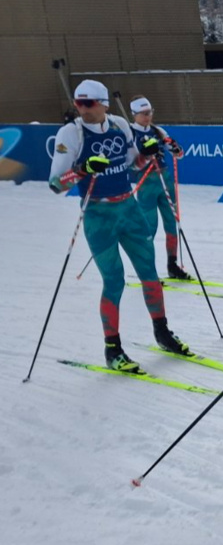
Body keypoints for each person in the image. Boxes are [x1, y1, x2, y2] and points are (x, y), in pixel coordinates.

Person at [48, 79, 192, 372]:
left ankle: (162, 332)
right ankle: (113, 349)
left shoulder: (119, 125)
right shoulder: (71, 133)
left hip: (129, 208)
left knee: (150, 275)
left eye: (88, 103)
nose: (82, 109)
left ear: (103, 104)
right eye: (79, 103)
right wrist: (83, 169)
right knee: (114, 281)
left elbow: (133, 165)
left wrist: (147, 152)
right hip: (99, 216)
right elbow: (55, 185)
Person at [128, 96, 189, 280]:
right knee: (149, 228)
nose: (148, 117)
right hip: (146, 183)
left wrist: (175, 148)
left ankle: (172, 265)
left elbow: (179, 154)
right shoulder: (130, 134)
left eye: (150, 113)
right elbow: (133, 166)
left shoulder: (158, 130)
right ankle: (148, 270)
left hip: (165, 179)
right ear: (134, 114)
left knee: (172, 223)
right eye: (143, 114)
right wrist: (146, 154)